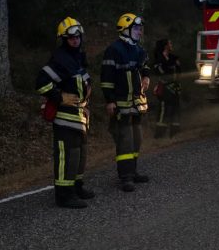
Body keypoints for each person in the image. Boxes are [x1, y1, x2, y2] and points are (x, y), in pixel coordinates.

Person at [35, 16, 95, 209]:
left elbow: (83, 83)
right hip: (64, 118)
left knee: (79, 154)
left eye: (78, 37)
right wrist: (60, 98)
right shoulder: (60, 59)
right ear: (64, 39)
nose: (75, 40)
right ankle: (64, 195)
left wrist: (85, 104)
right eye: (71, 38)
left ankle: (76, 187)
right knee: (66, 157)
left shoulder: (77, 57)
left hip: (78, 116)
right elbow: (41, 82)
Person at [101, 13, 151, 192]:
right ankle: (126, 177)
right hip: (121, 103)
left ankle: (134, 171)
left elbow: (145, 63)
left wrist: (146, 75)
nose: (139, 31)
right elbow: (106, 78)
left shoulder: (138, 48)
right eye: (136, 28)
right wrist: (110, 101)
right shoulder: (113, 50)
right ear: (125, 29)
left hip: (137, 102)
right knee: (125, 140)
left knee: (137, 138)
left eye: (140, 28)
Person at [152, 38, 182, 138]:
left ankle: (174, 132)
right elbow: (161, 71)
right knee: (163, 109)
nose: (171, 45)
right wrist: (171, 66)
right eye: (170, 43)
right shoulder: (159, 59)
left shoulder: (173, 57)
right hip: (164, 87)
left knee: (176, 108)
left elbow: (179, 71)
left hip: (175, 87)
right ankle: (159, 134)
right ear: (165, 46)